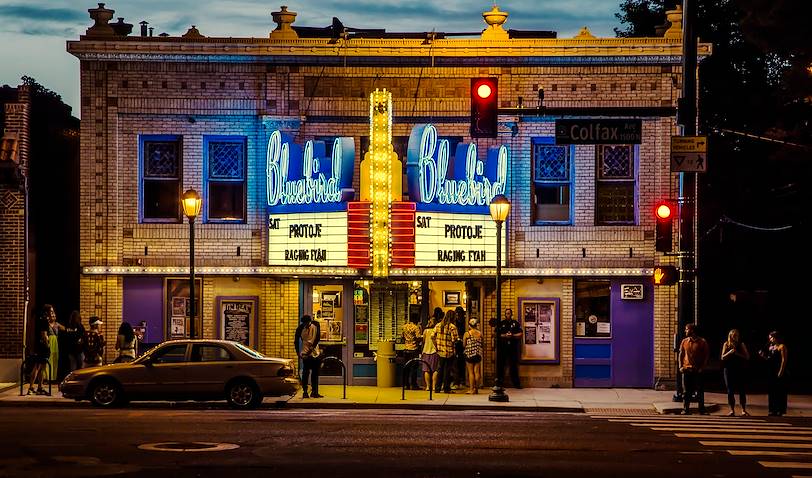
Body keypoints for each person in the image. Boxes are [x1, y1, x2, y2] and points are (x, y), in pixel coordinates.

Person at [678, 323, 709, 415]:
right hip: (686, 369)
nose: (685, 331)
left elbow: (706, 356)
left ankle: (701, 410)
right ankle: (686, 409)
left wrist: (702, 368)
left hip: (697, 370)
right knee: (686, 391)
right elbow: (681, 354)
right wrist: (680, 366)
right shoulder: (684, 341)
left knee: (700, 391)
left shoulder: (702, 342)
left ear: (692, 330)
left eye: (687, 329)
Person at [721, 329, 750, 416]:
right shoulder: (726, 344)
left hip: (740, 369)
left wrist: (738, 354)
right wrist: (729, 352)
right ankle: (732, 410)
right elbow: (722, 357)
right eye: (734, 335)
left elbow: (747, 357)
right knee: (730, 390)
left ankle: (743, 410)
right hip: (728, 369)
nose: (736, 337)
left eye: (737, 335)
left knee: (742, 390)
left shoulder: (741, 344)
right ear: (730, 336)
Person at [760, 331, 788, 416]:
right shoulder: (771, 347)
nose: (770, 339)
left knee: (780, 391)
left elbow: (784, 360)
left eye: (771, 338)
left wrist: (781, 371)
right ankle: (772, 410)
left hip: (779, 370)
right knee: (772, 391)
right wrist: (763, 356)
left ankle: (780, 410)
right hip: (771, 371)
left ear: (775, 338)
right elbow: (769, 359)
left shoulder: (782, 346)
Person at [294, 315, 322, 398]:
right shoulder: (300, 328)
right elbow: (295, 341)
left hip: (314, 352)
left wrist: (310, 350)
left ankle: (314, 391)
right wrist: (298, 353)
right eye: (305, 323)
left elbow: (317, 338)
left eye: (307, 323)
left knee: (315, 373)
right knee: (305, 373)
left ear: (310, 321)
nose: (306, 325)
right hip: (305, 352)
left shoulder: (316, 325)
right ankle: (305, 391)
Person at [496, 308, 523, 388]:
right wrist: (505, 335)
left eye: (509, 313)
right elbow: (497, 335)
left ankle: (516, 384)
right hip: (503, 348)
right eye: (506, 313)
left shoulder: (515, 323)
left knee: (514, 366)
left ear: (511, 314)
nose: (508, 315)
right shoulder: (501, 323)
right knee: (501, 366)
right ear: (505, 314)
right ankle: (499, 383)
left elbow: (521, 334)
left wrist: (513, 335)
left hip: (513, 348)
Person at [434, 310, 459, 393]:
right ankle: (446, 388)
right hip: (449, 351)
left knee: (440, 370)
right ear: (453, 317)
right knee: (447, 370)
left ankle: (437, 388)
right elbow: (454, 339)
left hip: (440, 351)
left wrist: (436, 346)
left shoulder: (438, 325)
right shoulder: (452, 327)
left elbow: (432, 336)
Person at [27, 310, 50, 395]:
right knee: (37, 367)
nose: (52, 314)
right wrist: (47, 345)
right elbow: (44, 335)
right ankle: (31, 387)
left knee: (42, 368)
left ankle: (40, 387)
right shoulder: (44, 321)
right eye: (50, 312)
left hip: (38, 346)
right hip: (43, 347)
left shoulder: (37, 321)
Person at [43, 305, 64, 382]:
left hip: (55, 343)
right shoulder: (46, 323)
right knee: (49, 359)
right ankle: (47, 377)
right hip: (49, 341)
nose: (53, 316)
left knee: (55, 359)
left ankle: (53, 377)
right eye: (52, 314)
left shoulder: (57, 324)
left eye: (54, 315)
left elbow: (65, 329)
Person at [401, 315, 422, 390]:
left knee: (406, 367)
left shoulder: (404, 327)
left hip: (406, 349)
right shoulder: (415, 327)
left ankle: (406, 384)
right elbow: (418, 337)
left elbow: (402, 337)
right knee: (414, 368)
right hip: (413, 349)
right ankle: (414, 385)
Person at [463, 318, 484, 394]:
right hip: (478, 354)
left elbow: (464, 345)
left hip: (469, 354)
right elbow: (482, 344)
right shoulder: (480, 333)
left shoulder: (467, 334)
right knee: (477, 372)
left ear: (469, 325)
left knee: (471, 372)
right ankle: (476, 388)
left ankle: (471, 389)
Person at [421, 317, 439, 391]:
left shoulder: (425, 331)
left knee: (426, 370)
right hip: (434, 351)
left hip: (426, 351)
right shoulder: (436, 331)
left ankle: (428, 386)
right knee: (435, 370)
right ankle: (434, 386)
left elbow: (424, 341)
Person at [453, 306, 467, 389]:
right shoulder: (456, 322)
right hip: (458, 343)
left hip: (462, 343)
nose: (458, 315)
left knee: (460, 362)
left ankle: (461, 380)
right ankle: (459, 380)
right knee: (457, 363)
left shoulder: (461, 322)